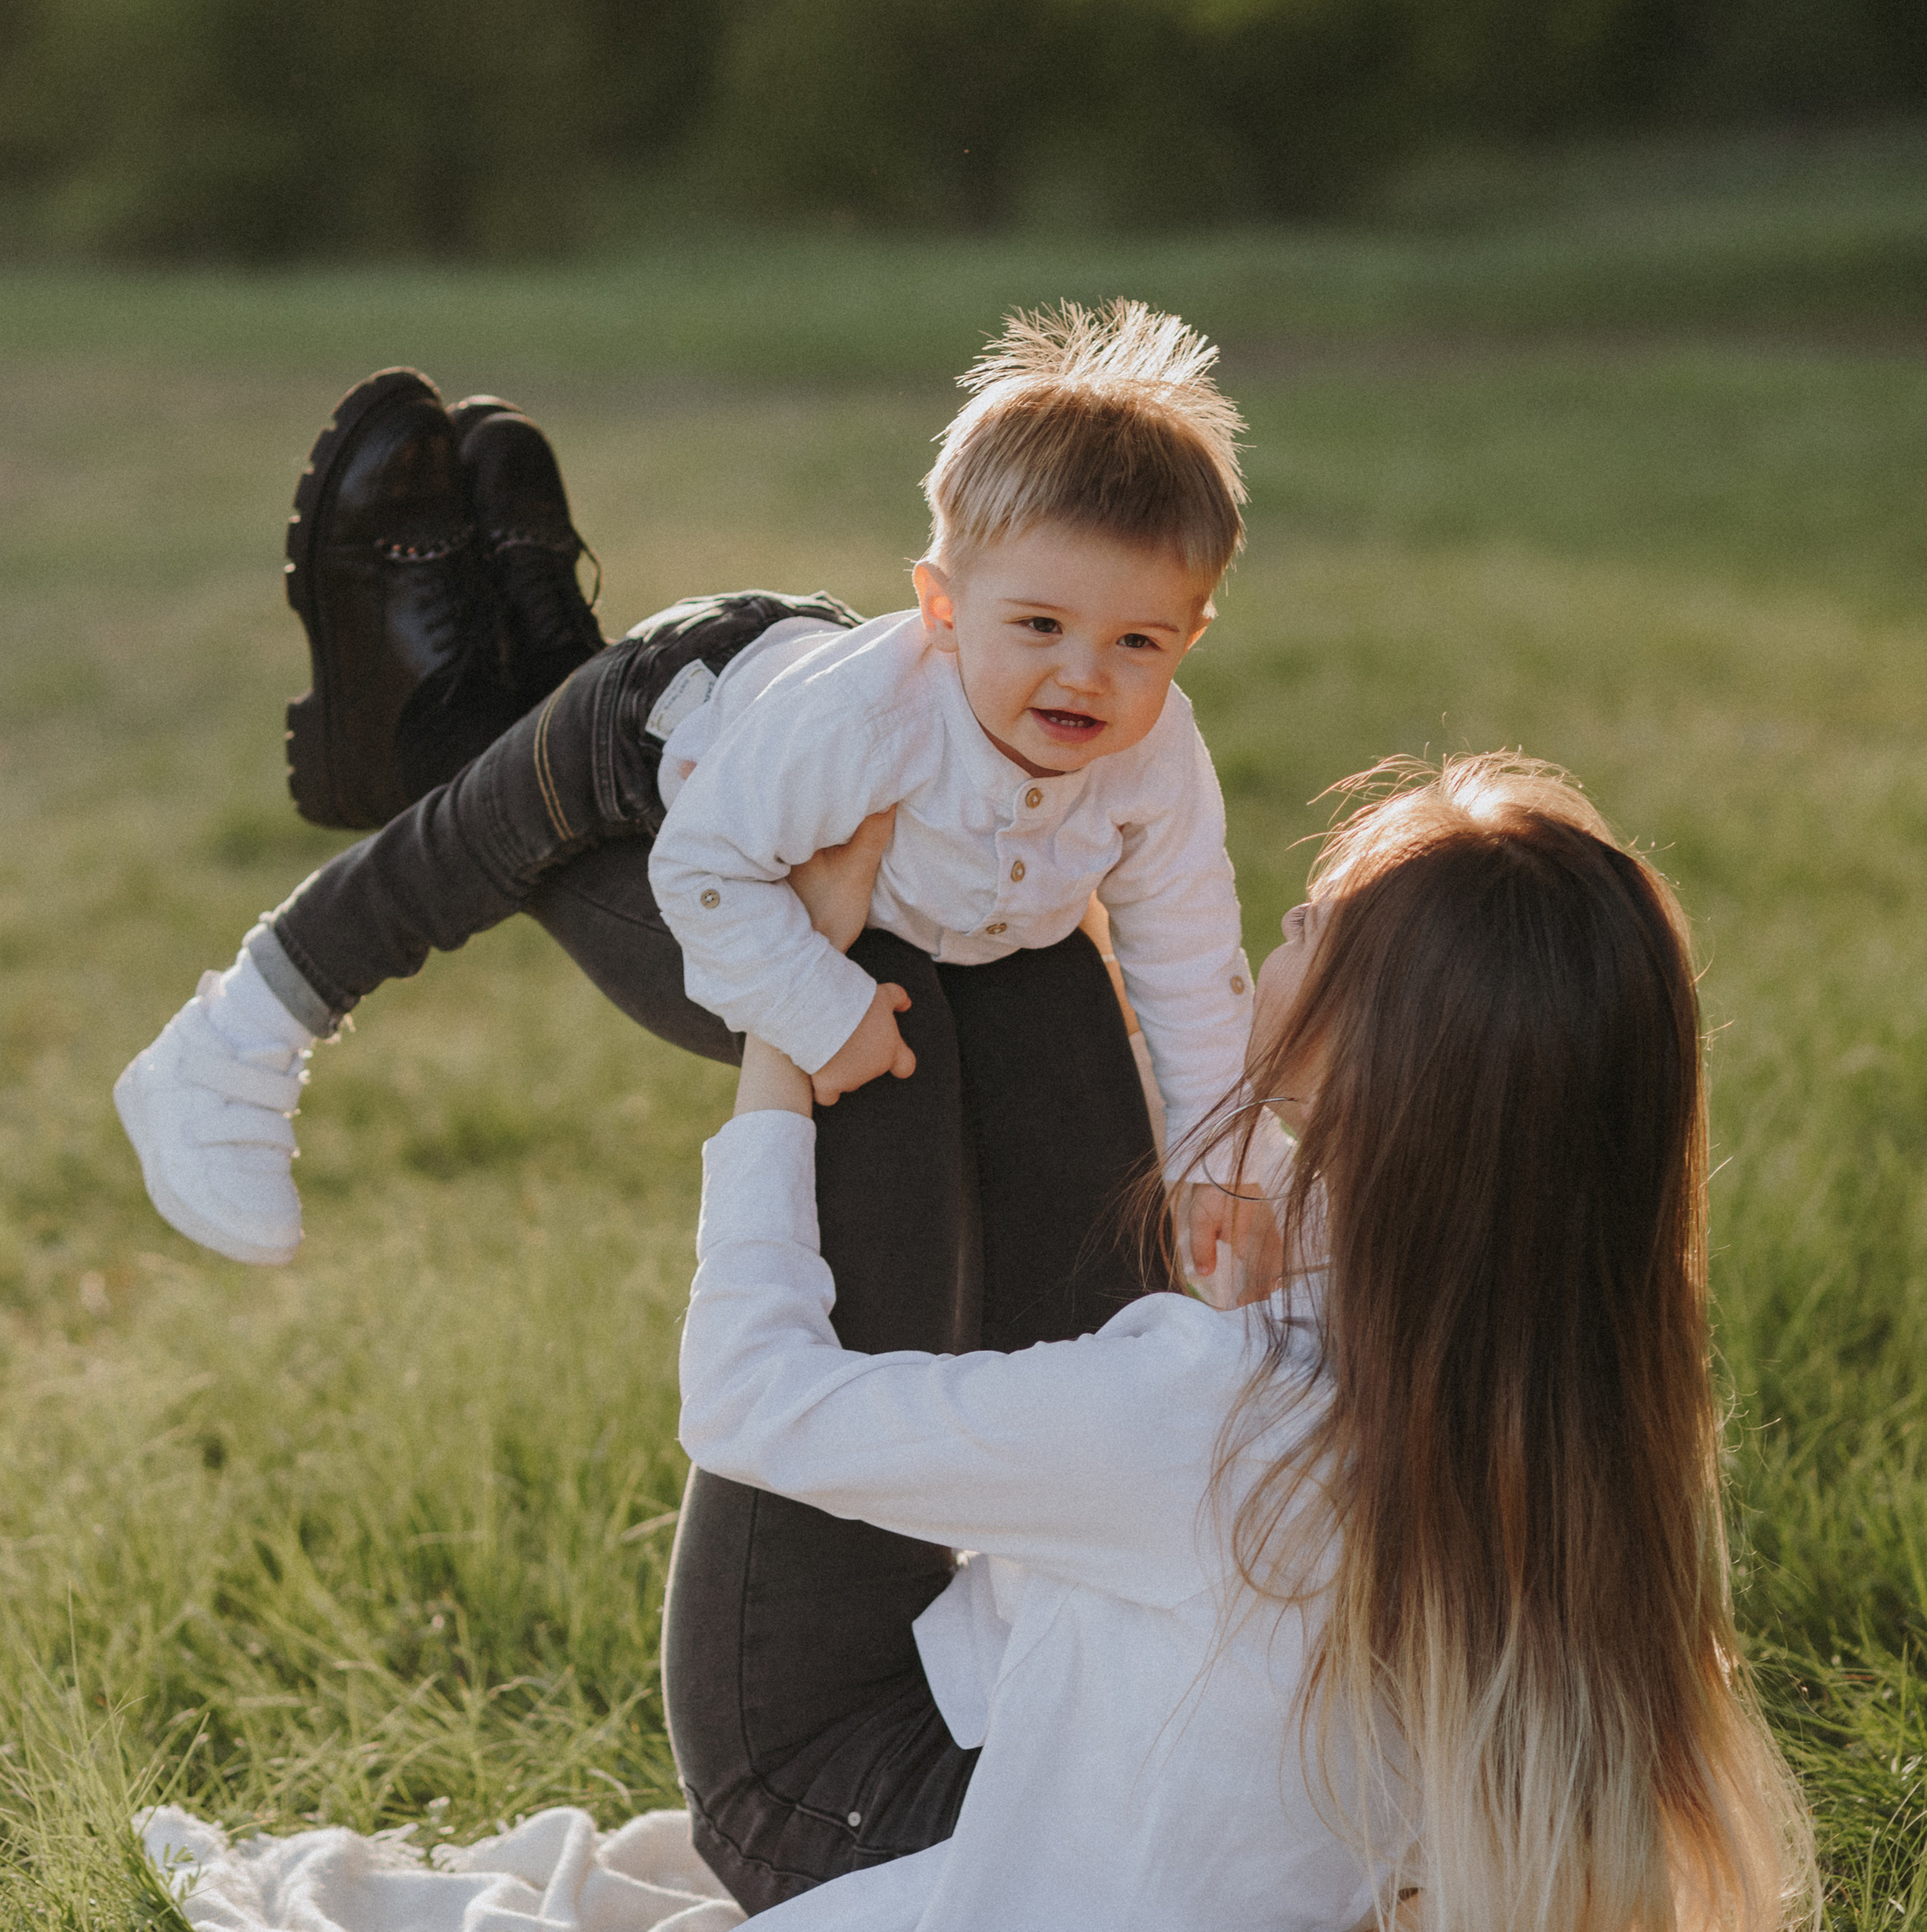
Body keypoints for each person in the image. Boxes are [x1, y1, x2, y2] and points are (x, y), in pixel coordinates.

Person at [655, 754, 1818, 1932]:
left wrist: (782, 1017)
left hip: (822, 1786)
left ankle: (589, 771)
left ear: (1378, 1060)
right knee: (1034, 963)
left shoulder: (1210, 1414)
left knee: (881, 974)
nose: (1285, 922)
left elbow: (744, 1398)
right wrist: (1268, 1292)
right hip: (1096, 1755)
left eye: (1319, 925)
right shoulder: (1563, 1424)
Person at [113, 302, 1262, 1307]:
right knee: (472, 842)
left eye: (1137, 642)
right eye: (1041, 626)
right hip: (661, 717)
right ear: (944, 606)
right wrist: (820, 1007)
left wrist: (1223, 1156)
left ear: (1191, 636)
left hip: (773, 719)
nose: (1084, 677)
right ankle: (229, 1040)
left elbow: (1188, 948)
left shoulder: (1155, 754)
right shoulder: (872, 725)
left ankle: (515, 626)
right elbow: (702, 873)